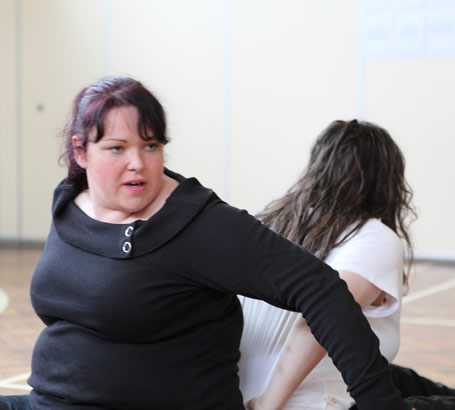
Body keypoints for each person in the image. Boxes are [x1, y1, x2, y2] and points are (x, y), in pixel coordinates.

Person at [0, 78, 413, 410]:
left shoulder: (199, 224)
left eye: (151, 146)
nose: (137, 164)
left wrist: (381, 404)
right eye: (116, 149)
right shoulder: (70, 202)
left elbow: (323, 291)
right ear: (81, 153)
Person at [239, 119, 454, 410]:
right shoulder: (374, 237)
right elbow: (320, 320)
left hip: (245, 389)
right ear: (388, 182)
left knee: (401, 378)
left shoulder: (268, 222)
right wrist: (267, 405)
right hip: (309, 402)